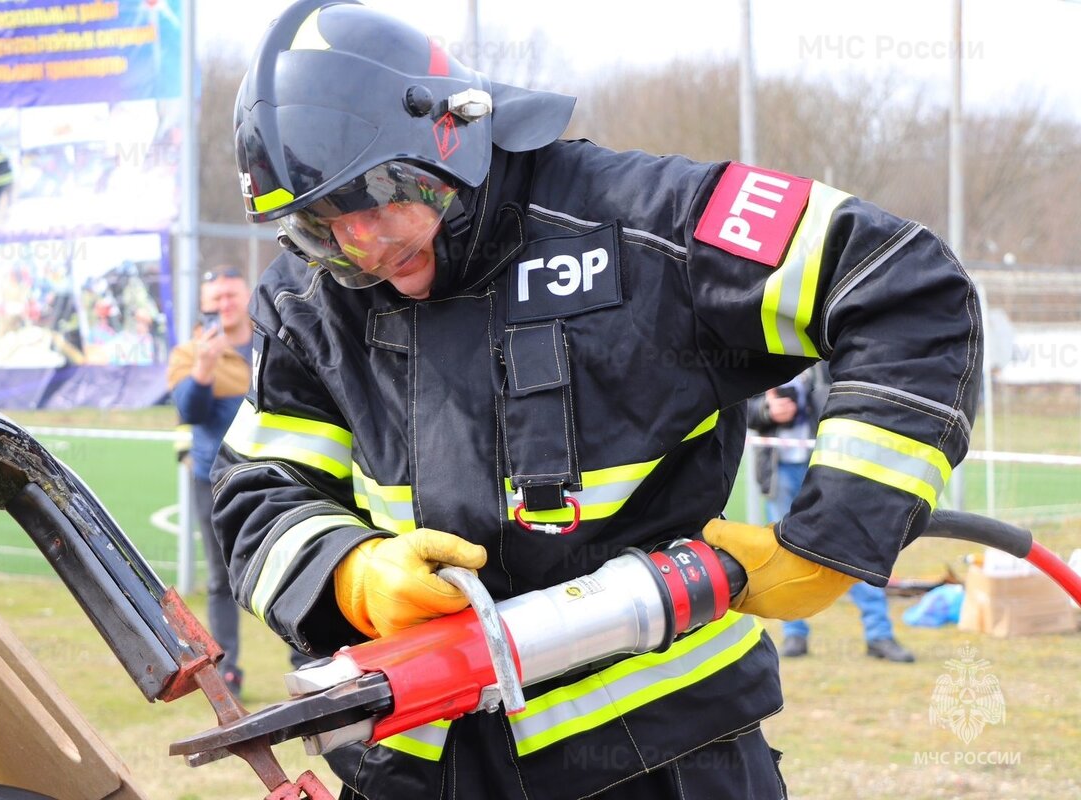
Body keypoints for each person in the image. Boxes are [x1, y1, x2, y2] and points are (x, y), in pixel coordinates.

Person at [213, 4, 981, 797]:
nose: (365, 247)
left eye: (380, 200)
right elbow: (259, 489)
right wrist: (351, 574)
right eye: (319, 226)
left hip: (661, 760)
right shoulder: (311, 302)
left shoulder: (641, 222)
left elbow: (900, 286)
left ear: (452, 136)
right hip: (414, 767)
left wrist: (829, 537)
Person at [748, 364, 915, 663]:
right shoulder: (761, 358)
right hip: (779, 474)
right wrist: (766, 410)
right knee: (785, 555)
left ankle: (879, 635)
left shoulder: (831, 360)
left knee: (855, 546)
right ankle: (794, 635)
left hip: (829, 468)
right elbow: (740, 411)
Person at [166, 267, 253, 696]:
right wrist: (204, 366)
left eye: (231, 295)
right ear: (205, 303)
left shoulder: (273, 337)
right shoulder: (189, 351)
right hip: (214, 477)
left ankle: (308, 662)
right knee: (222, 580)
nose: (224, 304)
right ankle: (229, 671)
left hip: (275, 472)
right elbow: (189, 411)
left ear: (247, 294)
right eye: (216, 298)